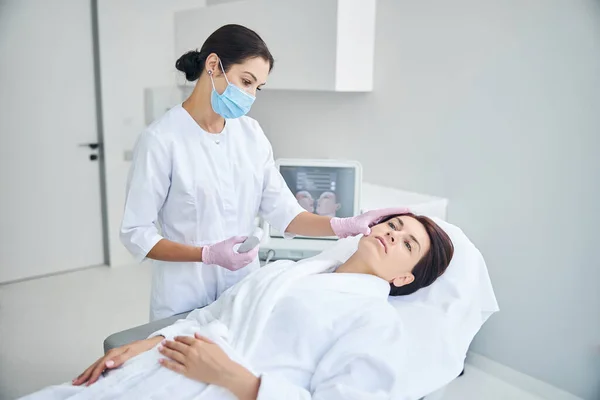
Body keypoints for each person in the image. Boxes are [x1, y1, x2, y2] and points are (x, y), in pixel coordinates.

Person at [119, 24, 409, 321]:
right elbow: (136, 234)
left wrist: (346, 225)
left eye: (257, 87)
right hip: (183, 298)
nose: (250, 96)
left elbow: (287, 215)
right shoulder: (161, 140)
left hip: (243, 294)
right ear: (213, 65)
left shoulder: (251, 135)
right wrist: (205, 254)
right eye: (246, 81)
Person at [23, 213, 454, 399]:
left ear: (404, 278)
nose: (392, 235)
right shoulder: (290, 270)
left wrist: (234, 379)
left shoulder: (377, 323)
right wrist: (145, 344)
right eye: (393, 225)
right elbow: (213, 315)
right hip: (171, 361)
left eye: (407, 243)